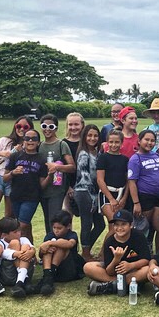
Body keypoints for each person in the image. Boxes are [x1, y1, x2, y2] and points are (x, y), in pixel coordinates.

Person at [0, 115, 33, 239]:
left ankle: (11, 243)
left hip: (14, 181)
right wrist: (0, 154)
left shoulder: (30, 144)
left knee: (10, 216)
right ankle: (0, 240)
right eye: (18, 126)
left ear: (30, 128)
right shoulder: (4, 140)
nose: (21, 129)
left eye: (25, 126)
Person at [84, 209, 151, 295]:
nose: (119, 228)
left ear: (131, 225)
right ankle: (123, 285)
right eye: (116, 224)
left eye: (123, 224)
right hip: (115, 273)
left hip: (133, 270)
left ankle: (112, 286)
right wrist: (116, 259)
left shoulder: (139, 236)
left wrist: (130, 265)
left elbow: (146, 259)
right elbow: (109, 271)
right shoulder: (110, 241)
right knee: (88, 267)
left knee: (148, 270)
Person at [3, 128, 49, 243]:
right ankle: (30, 250)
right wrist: (13, 172)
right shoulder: (15, 156)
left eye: (34, 139)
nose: (30, 141)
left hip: (32, 197)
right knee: (25, 227)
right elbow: (4, 178)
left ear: (38, 142)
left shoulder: (41, 159)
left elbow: (42, 185)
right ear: (23, 141)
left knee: (21, 225)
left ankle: (21, 250)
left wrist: (51, 175)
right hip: (16, 196)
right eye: (27, 138)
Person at [128, 130, 159, 252]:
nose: (150, 143)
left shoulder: (156, 155)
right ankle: (140, 253)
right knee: (142, 229)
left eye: (152, 140)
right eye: (147, 140)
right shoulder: (135, 159)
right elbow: (132, 182)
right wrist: (136, 203)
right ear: (139, 141)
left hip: (157, 196)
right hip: (143, 197)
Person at [37, 114, 75, 234]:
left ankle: (60, 246)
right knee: (47, 221)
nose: (47, 129)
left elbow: (72, 167)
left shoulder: (61, 144)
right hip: (43, 189)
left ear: (56, 128)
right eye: (44, 126)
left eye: (51, 126)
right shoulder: (39, 146)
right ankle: (51, 247)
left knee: (54, 220)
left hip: (57, 190)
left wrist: (57, 167)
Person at [30, 210, 84, 296]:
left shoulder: (72, 234)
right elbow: (41, 255)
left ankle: (48, 277)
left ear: (68, 226)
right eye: (54, 228)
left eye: (59, 228)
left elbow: (70, 244)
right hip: (54, 274)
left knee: (61, 244)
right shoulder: (50, 235)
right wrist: (43, 249)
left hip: (69, 270)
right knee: (48, 249)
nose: (56, 231)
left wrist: (50, 243)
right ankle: (48, 277)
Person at [73, 124, 105, 262]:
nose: (92, 138)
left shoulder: (97, 153)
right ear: (84, 137)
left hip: (94, 193)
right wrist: (93, 198)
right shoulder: (84, 153)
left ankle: (86, 250)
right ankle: (86, 254)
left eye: (95, 135)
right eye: (89, 135)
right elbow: (85, 177)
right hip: (84, 192)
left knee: (100, 225)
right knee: (87, 223)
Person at [0, 217, 36, 299]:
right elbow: (3, 253)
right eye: (15, 232)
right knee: (15, 243)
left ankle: (19, 283)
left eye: (19, 230)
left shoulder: (23, 239)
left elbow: (31, 248)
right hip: (8, 275)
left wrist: (31, 251)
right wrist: (16, 253)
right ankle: (24, 280)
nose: (19, 233)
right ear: (4, 234)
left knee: (26, 246)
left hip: (24, 270)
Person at [97, 129, 129, 226]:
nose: (114, 145)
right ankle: (107, 242)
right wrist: (111, 199)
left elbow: (128, 181)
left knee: (121, 226)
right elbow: (100, 179)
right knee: (114, 224)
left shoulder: (125, 159)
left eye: (117, 142)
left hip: (121, 194)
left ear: (121, 143)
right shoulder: (103, 158)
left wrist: (124, 198)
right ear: (107, 142)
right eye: (111, 142)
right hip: (106, 194)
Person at [63, 112, 85, 216]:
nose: (73, 127)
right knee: (67, 217)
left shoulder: (87, 142)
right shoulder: (63, 143)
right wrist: (68, 187)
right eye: (70, 124)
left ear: (82, 125)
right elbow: (62, 168)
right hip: (68, 186)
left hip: (85, 186)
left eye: (76, 124)